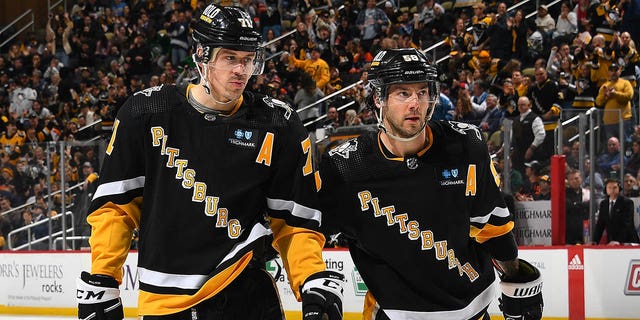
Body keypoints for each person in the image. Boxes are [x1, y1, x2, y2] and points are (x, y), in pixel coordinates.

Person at [76, 5, 345, 320]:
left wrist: (311, 277)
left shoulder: (277, 123)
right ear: (201, 55)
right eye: (230, 58)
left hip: (247, 294)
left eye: (247, 60)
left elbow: (294, 219)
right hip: (167, 301)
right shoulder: (146, 113)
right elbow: (117, 206)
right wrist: (103, 276)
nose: (240, 71)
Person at [318, 48, 543, 320]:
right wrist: (312, 283)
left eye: (422, 92)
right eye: (403, 93)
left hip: (472, 309)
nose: (415, 103)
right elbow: (309, 232)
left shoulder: (466, 145)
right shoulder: (344, 165)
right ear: (378, 98)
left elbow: (492, 226)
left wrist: (515, 276)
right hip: (394, 314)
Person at [593, 179, 640, 245]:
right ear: (605, 189)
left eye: (615, 187)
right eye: (609, 187)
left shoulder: (627, 202)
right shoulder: (604, 204)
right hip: (611, 242)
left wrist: (618, 241)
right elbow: (600, 225)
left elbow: (626, 224)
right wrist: (595, 241)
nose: (612, 190)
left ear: (619, 188)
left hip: (627, 241)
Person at [565, 169, 589, 244]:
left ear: (581, 178)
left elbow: (591, 206)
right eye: (571, 179)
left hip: (585, 230)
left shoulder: (587, 193)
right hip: (569, 232)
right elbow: (569, 206)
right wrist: (582, 205)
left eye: (576, 178)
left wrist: (575, 204)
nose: (574, 181)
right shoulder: (564, 194)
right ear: (568, 181)